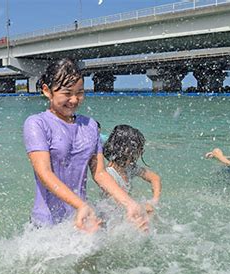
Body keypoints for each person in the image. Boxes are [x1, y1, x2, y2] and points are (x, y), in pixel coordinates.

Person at [23, 58, 148, 233]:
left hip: (82, 220)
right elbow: (44, 173)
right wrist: (81, 205)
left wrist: (129, 203)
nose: (74, 100)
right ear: (47, 91)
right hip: (45, 225)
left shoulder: (89, 126)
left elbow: (100, 173)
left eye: (80, 92)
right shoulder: (37, 123)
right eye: (67, 93)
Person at [102, 125, 162, 215]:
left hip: (125, 213)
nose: (140, 151)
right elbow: (119, 202)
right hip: (109, 219)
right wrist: (142, 207)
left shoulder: (129, 168)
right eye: (137, 147)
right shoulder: (109, 174)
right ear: (124, 148)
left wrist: (154, 201)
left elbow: (155, 178)